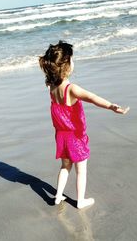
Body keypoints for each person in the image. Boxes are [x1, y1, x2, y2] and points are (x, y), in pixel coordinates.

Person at [39, 41, 129, 209]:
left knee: (65, 166)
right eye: (72, 60)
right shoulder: (70, 89)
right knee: (81, 170)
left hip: (60, 135)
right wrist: (111, 106)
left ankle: (58, 195)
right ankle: (80, 201)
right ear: (66, 65)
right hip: (75, 136)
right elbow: (92, 97)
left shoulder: (51, 86)